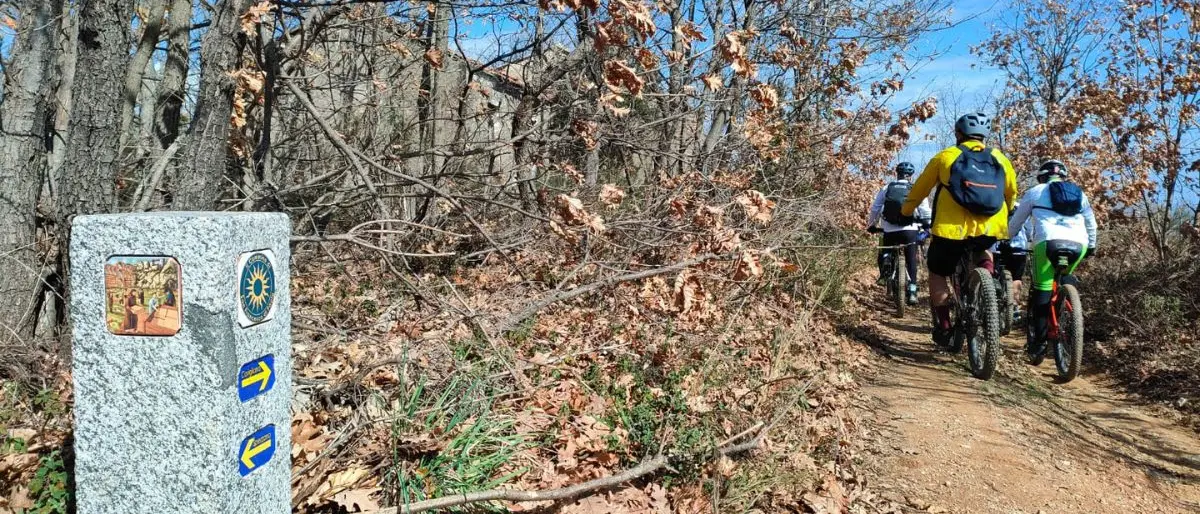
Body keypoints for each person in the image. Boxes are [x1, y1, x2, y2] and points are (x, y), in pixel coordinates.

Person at [900, 113, 1019, 345]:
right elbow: (1011, 193)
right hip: (989, 226)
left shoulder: (946, 156)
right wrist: (1010, 209)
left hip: (950, 229)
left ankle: (944, 327)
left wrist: (906, 212)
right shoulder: (1000, 159)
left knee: (938, 272)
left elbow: (920, 190)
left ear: (958, 134)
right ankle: (988, 285)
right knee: (984, 250)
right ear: (985, 136)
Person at [1007, 159, 1097, 359]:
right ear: (1063, 177)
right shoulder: (1079, 193)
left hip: (1047, 243)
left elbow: (1017, 222)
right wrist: (1091, 246)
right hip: (1078, 243)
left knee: (1042, 290)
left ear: (1041, 177)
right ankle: (1067, 305)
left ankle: (1038, 347)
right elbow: (1091, 223)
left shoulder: (1035, 192)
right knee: (1065, 274)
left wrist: (1006, 237)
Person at [867, 162, 932, 305]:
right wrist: (927, 226)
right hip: (910, 230)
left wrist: (871, 225)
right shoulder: (915, 188)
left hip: (889, 230)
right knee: (911, 260)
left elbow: (875, 208)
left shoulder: (887, 187)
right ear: (911, 175)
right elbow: (925, 210)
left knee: (885, 249)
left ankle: (884, 273)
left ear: (897, 173)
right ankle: (913, 291)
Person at [993, 202, 1032, 323]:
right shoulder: (1020, 206)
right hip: (1019, 248)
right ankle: (1014, 308)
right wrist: (1029, 239)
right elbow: (1028, 229)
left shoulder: (995, 203)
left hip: (998, 246)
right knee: (1016, 278)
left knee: (994, 276)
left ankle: (993, 307)